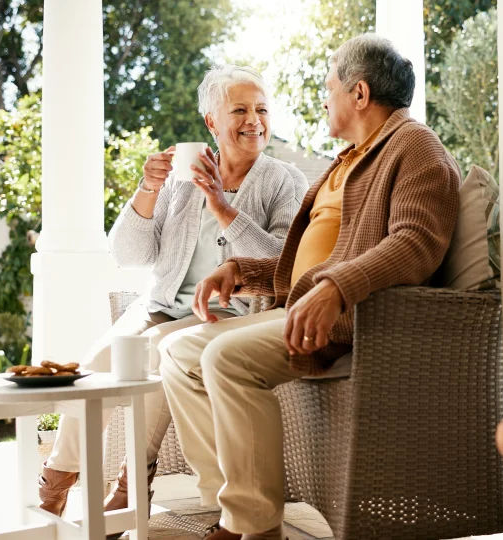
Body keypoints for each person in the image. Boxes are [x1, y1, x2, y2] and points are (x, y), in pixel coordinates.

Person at [159, 34, 461, 540]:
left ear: (359, 94)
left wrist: (338, 289)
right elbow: (321, 255)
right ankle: (228, 506)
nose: (324, 98)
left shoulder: (414, 147)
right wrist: (246, 272)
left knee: (223, 358)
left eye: (329, 86)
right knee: (176, 352)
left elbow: (415, 243)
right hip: (304, 306)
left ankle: (251, 527)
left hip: (355, 318)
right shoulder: (349, 159)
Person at [36, 65, 309, 532]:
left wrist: (223, 207)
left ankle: (129, 486)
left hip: (229, 314)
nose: (255, 121)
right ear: (210, 122)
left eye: (262, 109)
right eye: (240, 110)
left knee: (159, 350)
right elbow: (129, 253)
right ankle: (60, 477)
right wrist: (148, 188)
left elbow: (283, 265)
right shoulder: (184, 178)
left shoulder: (284, 181)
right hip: (161, 302)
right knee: (98, 359)